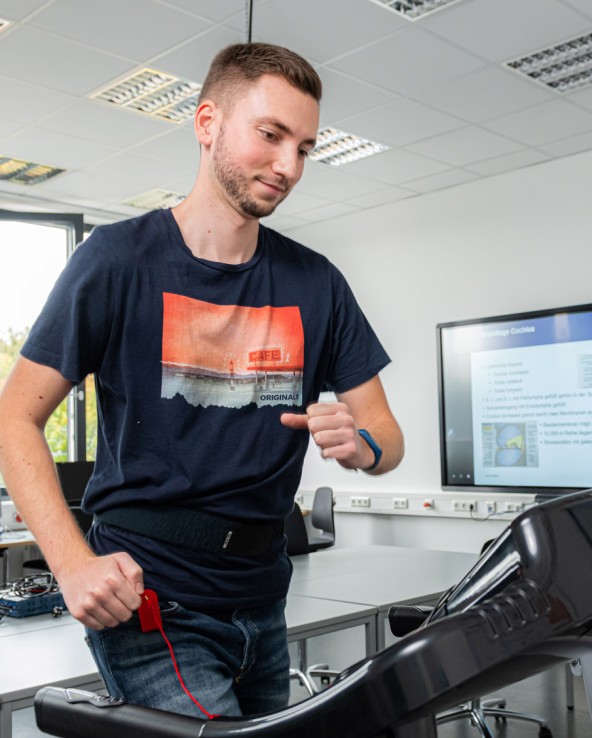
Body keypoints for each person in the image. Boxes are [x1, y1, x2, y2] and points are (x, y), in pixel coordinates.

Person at [0, 43, 402, 719]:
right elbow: (14, 418)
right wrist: (71, 565)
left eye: (304, 147)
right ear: (208, 122)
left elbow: (387, 437)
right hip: (153, 594)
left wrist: (361, 444)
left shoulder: (316, 282)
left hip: (264, 592)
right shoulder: (118, 259)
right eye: (270, 135)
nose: (288, 166)